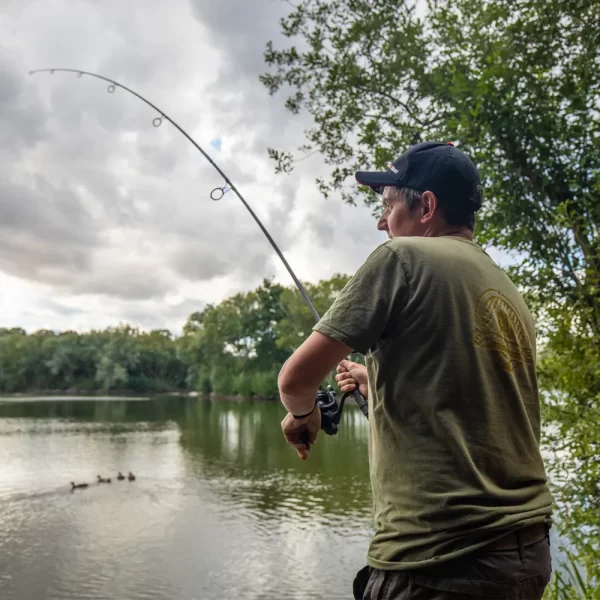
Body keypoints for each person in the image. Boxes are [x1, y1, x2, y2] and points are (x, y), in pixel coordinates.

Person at [277, 141, 553, 599]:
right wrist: (375, 381)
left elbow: (295, 379)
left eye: (387, 206)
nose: (381, 222)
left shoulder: (402, 258)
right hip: (524, 553)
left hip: (440, 560)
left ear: (426, 206)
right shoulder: (503, 286)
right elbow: (468, 394)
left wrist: (304, 415)